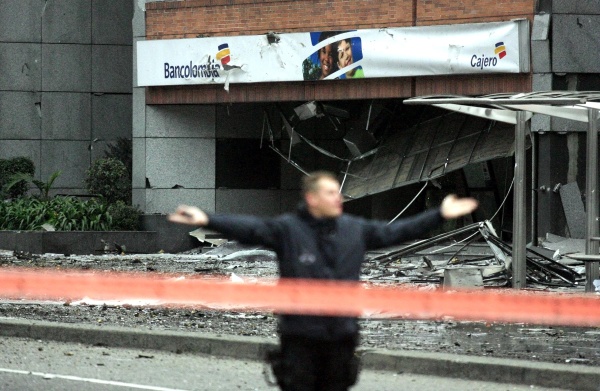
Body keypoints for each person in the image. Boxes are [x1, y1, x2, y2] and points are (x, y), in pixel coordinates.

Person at [168, 171, 478, 391]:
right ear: (312, 198)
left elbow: (396, 232)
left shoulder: (354, 228)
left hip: (341, 338)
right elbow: (250, 227)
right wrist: (207, 218)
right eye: (331, 192)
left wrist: (440, 214)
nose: (339, 197)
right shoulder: (288, 229)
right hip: (300, 339)